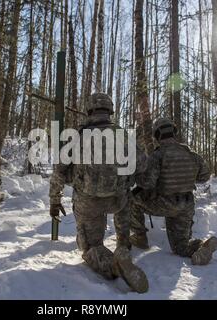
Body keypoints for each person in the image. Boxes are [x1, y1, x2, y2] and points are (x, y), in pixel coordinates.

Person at [49, 93, 149, 293]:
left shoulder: (77, 136)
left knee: (90, 248)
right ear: (110, 111)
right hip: (119, 200)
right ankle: (123, 244)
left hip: (89, 202)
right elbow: (143, 164)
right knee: (126, 198)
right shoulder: (122, 135)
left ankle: (114, 266)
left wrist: (54, 200)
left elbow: (59, 171)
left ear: (90, 111)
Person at [130, 118, 217, 266]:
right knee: (180, 247)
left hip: (164, 203)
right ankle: (201, 247)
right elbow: (204, 176)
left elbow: (148, 183)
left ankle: (140, 236)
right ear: (174, 132)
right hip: (186, 205)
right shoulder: (191, 153)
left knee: (130, 199)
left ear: (157, 135)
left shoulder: (157, 155)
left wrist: (137, 176)